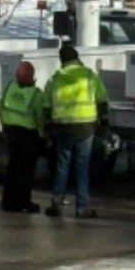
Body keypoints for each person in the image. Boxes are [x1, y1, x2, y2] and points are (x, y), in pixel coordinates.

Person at [43, 41, 108, 218]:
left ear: (61, 60)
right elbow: (102, 100)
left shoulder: (55, 78)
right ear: (77, 58)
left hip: (63, 128)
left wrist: (48, 129)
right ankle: (82, 208)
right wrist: (104, 123)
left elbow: (46, 106)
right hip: (86, 127)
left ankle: (56, 205)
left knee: (62, 166)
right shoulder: (89, 76)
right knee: (82, 167)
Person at [0, 60, 45, 213]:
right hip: (27, 135)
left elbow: (0, 108)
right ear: (33, 77)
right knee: (26, 171)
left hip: (10, 132)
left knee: (12, 168)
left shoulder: (9, 87)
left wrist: (4, 126)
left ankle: (8, 202)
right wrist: (43, 135)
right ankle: (23, 202)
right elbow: (40, 118)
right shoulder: (36, 94)